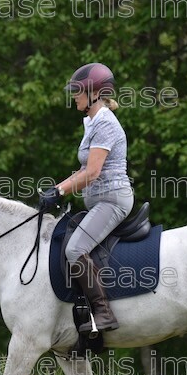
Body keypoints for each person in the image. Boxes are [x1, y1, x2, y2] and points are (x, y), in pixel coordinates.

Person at [39, 62, 134, 333]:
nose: (74, 96)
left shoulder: (105, 123)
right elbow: (84, 169)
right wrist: (55, 189)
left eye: (78, 91)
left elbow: (92, 172)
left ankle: (103, 314)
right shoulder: (93, 121)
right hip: (99, 200)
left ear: (94, 92)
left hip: (113, 200)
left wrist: (60, 191)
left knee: (75, 249)